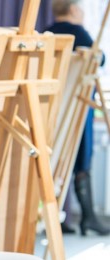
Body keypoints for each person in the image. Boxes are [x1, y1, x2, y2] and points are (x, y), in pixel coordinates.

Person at [46, 0, 109, 236]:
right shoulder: (79, 34)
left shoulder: (48, 33)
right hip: (77, 110)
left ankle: (57, 216)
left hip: (53, 111)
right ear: (73, 10)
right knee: (81, 160)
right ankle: (88, 217)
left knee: (55, 163)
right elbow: (99, 60)